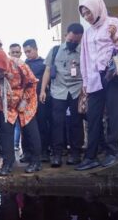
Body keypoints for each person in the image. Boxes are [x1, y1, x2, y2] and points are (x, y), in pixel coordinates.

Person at [76, 0, 118, 171]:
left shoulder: (113, 22)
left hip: (111, 74)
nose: (87, 17)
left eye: (88, 12)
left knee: (114, 113)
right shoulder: (88, 32)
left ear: (96, 8)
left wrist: (114, 36)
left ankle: (113, 151)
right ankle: (91, 155)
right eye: (83, 14)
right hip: (93, 78)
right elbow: (84, 58)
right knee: (93, 116)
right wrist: (85, 81)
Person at [40, 23, 85, 167]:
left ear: (81, 39)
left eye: (76, 41)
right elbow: (47, 71)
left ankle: (75, 153)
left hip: (77, 90)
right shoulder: (54, 51)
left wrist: (86, 89)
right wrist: (42, 90)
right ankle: (57, 154)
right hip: (58, 91)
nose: (72, 43)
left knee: (76, 123)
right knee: (57, 123)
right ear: (66, 35)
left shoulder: (84, 51)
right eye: (70, 40)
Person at [23, 39, 51, 163]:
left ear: (36, 49)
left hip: (41, 99)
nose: (27, 54)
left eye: (29, 51)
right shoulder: (24, 64)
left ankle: (44, 152)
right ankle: (27, 152)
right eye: (25, 52)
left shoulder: (44, 63)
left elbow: (49, 80)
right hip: (27, 101)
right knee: (27, 128)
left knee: (42, 125)